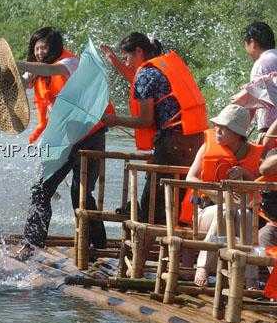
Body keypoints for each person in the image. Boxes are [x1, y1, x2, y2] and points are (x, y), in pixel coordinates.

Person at [14, 27, 114, 260]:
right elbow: (21, 83)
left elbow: (50, 68)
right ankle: (31, 243)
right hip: (62, 139)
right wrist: (3, 75)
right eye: (36, 48)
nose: (39, 53)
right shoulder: (36, 71)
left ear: (55, 48)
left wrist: (20, 63)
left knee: (80, 192)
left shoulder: (70, 62)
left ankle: (95, 245)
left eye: (44, 48)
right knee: (41, 189)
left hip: (90, 136)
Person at [101, 32, 207, 224]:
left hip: (172, 143)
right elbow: (138, 81)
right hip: (195, 139)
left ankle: (147, 248)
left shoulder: (145, 75)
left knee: (154, 204)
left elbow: (145, 120)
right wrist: (114, 61)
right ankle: (172, 249)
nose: (125, 63)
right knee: (176, 198)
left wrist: (114, 120)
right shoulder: (165, 66)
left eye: (126, 57)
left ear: (139, 51)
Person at [187, 105, 263, 286]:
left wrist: (244, 172)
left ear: (238, 134)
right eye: (217, 126)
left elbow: (259, 186)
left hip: (239, 214)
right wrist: (216, 195)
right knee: (225, 209)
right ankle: (203, 266)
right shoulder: (207, 146)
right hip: (206, 212)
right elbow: (191, 177)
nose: (217, 130)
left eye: (224, 128)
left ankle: (250, 277)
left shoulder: (254, 154)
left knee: (245, 214)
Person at [243, 22, 277, 137]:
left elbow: (258, 102)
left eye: (245, 44)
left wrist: (263, 131)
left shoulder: (261, 64)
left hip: (272, 131)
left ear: (252, 43)